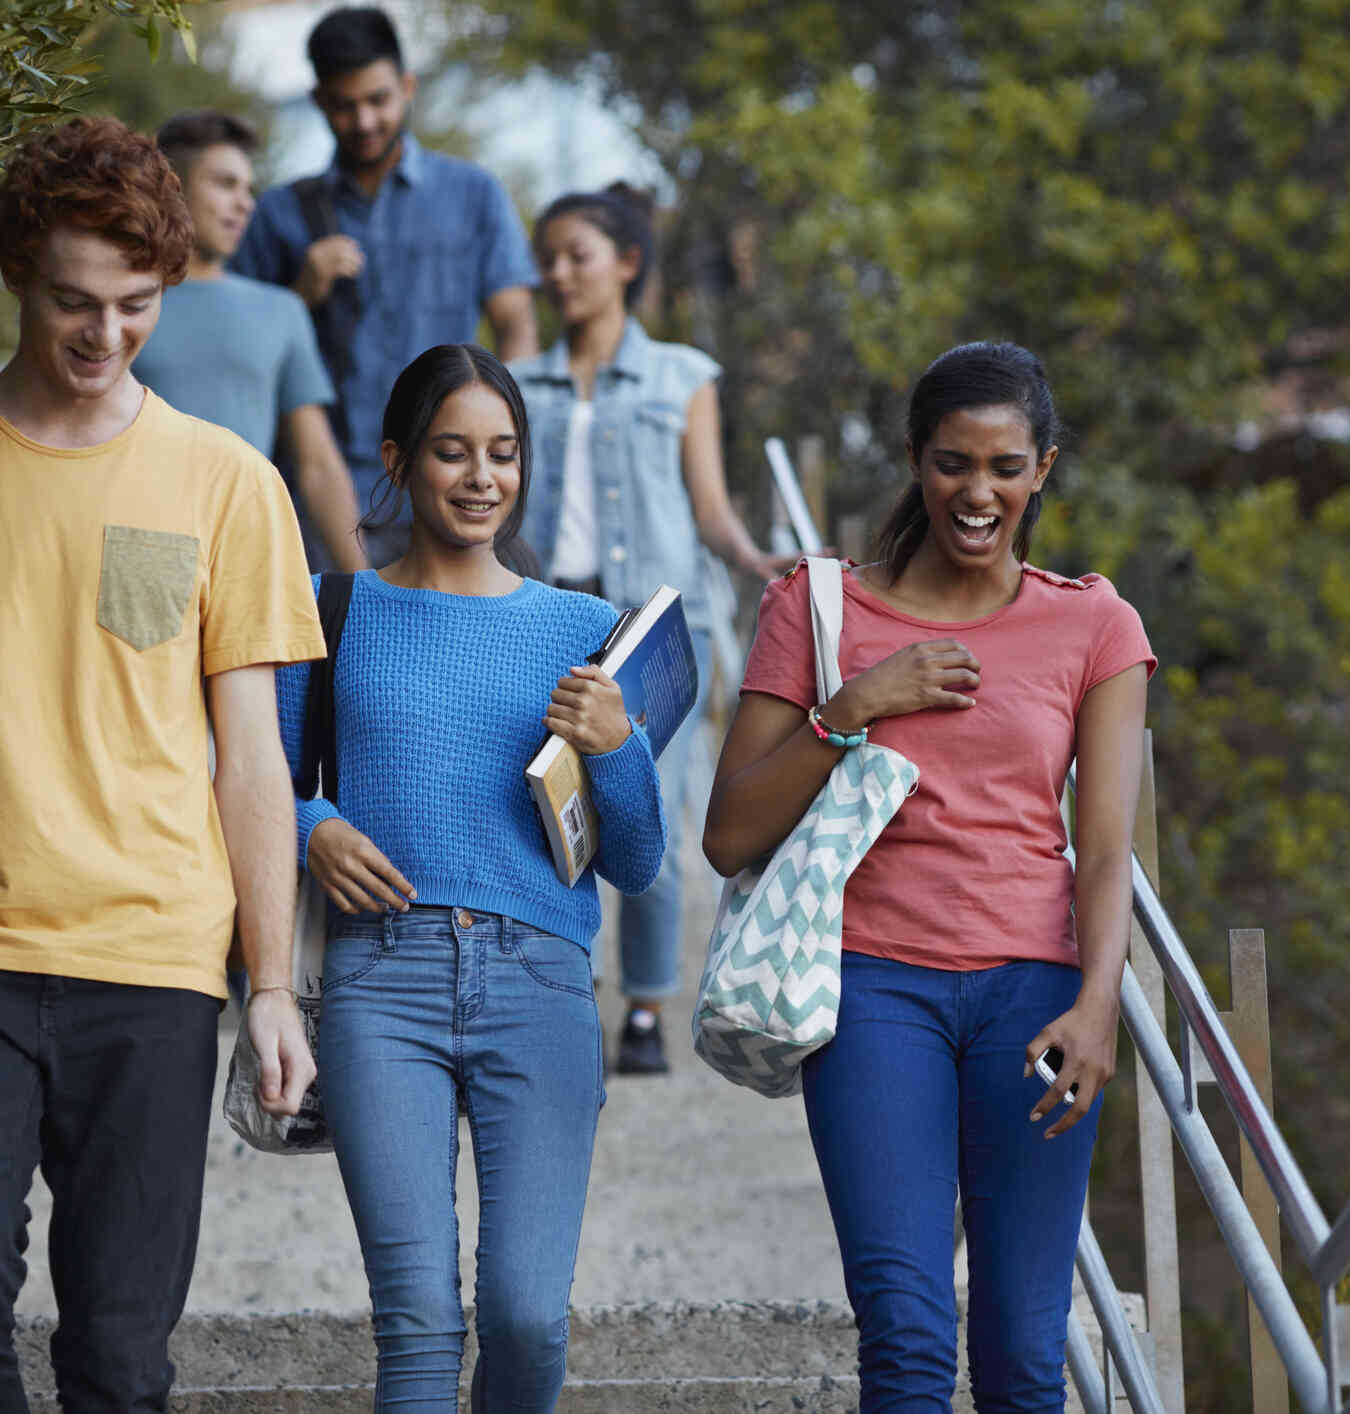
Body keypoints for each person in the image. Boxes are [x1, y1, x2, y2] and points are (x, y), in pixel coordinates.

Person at [0, 116, 323, 1414]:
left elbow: (250, 754)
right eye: (72, 303)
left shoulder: (225, 483)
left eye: (135, 306)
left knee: (118, 1352)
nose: (102, 336)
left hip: (150, 958)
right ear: (17, 276)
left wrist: (271, 980)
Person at [703, 342, 1154, 1412]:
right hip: (870, 992)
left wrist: (1099, 1007)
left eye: (1005, 467)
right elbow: (727, 833)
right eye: (954, 463)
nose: (978, 492)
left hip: (1034, 998)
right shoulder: (816, 610)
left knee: (1021, 1352)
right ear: (916, 461)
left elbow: (1104, 843)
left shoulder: (1095, 625)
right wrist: (854, 705)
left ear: (1043, 469)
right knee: (906, 1334)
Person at [278, 344, 665, 1409]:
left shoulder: (583, 632)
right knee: (416, 1326)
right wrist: (312, 824)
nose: (482, 476)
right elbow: (251, 773)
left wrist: (620, 741)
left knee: (528, 1319)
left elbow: (636, 859)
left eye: (503, 453)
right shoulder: (332, 610)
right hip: (379, 982)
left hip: (539, 982)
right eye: (452, 452)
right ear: (400, 461)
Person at [511, 187, 794, 1074]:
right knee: (549, 806)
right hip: (549, 615)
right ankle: (562, 990)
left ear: (626, 263)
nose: (559, 274)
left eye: (578, 255)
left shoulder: (683, 376)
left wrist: (754, 560)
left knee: (654, 813)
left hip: (652, 631)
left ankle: (642, 1007)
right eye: (549, 258)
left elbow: (707, 506)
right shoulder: (520, 384)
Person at [232, 6, 539, 566]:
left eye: (378, 100)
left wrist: (495, 444)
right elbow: (239, 356)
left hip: (449, 488)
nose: (365, 120)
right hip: (322, 502)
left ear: (407, 86)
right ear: (321, 100)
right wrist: (299, 293)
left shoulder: (473, 195)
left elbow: (517, 324)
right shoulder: (279, 215)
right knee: (336, 651)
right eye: (346, 106)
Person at [135, 110, 367, 572]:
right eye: (225, 184)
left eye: (247, 188)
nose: (245, 204)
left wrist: (369, 587)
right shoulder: (121, 303)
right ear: (172, 188)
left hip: (246, 564)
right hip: (137, 556)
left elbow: (318, 463)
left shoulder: (281, 311)